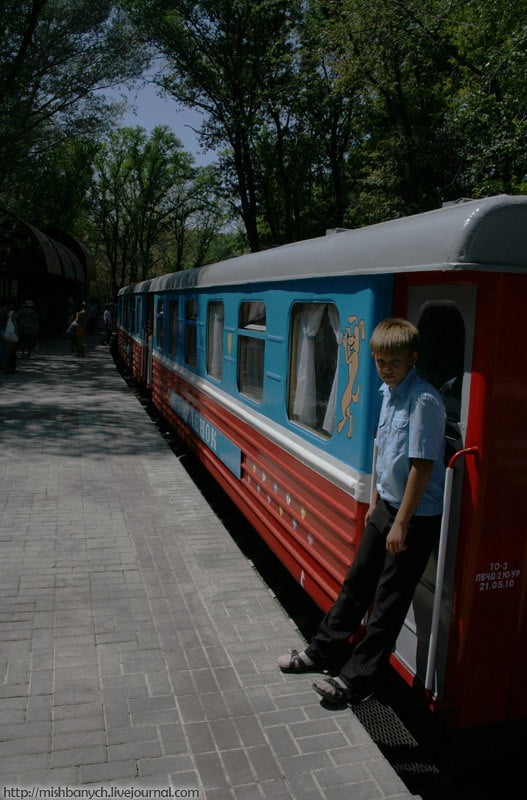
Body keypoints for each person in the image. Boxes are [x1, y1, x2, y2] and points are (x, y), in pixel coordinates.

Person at [278, 318, 446, 705]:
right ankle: (322, 650)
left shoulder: (423, 400)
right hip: (386, 504)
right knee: (356, 583)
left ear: (412, 359)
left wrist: (400, 523)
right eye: (380, 360)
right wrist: (374, 502)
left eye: (395, 361)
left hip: (414, 516)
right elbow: (383, 449)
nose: (386, 367)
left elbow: (422, 467)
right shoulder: (389, 392)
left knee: (388, 602)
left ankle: (357, 681)